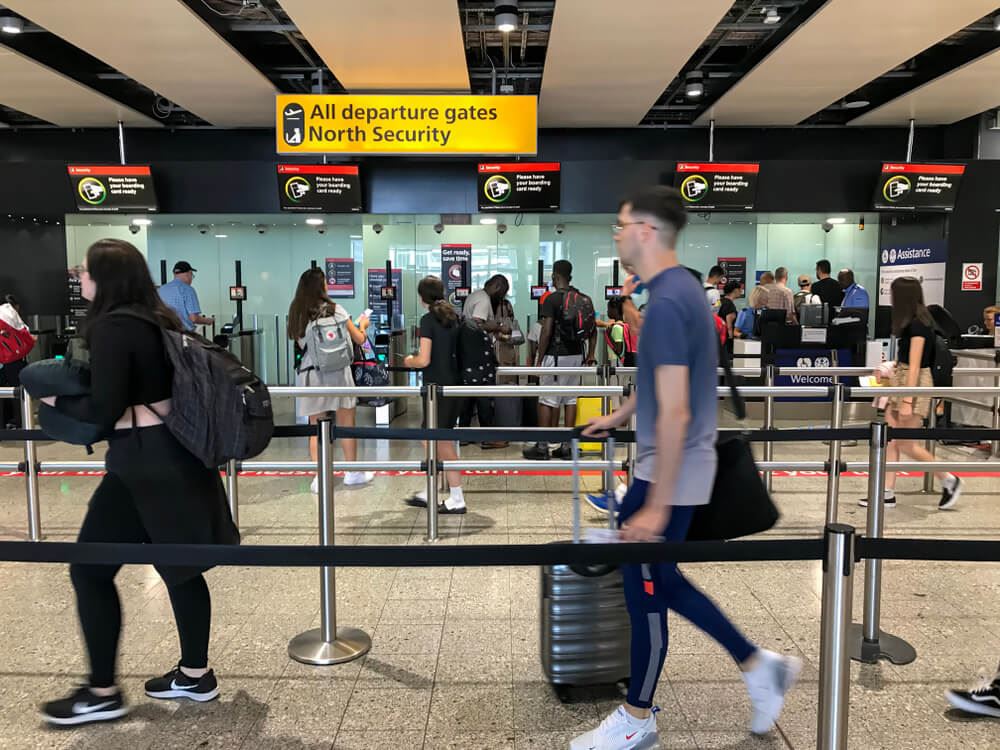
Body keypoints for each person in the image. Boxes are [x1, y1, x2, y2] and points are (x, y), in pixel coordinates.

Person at [572, 186, 800, 750]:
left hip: (668, 473)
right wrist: (621, 413)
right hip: (666, 465)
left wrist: (654, 502)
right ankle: (757, 664)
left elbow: (675, 408)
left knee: (646, 591)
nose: (616, 233)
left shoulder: (671, 300)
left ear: (646, 231)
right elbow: (663, 381)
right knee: (658, 581)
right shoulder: (676, 291)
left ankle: (638, 717)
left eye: (621, 224)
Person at [40, 239, 239, 726]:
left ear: (103, 277)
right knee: (181, 567)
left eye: (84, 271)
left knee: (89, 570)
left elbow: (105, 410)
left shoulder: (110, 327)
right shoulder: (159, 318)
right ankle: (195, 674)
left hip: (141, 463)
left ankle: (103, 692)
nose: (78, 278)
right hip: (182, 456)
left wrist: (55, 407)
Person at [859, 276, 961, 511]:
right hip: (904, 380)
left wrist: (907, 399)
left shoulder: (918, 325)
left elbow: (915, 365)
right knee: (891, 441)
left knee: (907, 444)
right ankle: (886, 492)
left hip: (912, 385)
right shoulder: (915, 322)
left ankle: (949, 479)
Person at [288, 268, 374, 492]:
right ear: (322, 285)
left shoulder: (297, 311)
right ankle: (352, 473)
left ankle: (321, 476)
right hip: (339, 372)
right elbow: (359, 339)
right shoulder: (337, 310)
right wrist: (363, 324)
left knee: (316, 425)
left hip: (313, 372)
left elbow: (298, 343)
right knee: (347, 422)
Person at [403, 276, 466, 514]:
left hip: (436, 390)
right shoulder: (453, 317)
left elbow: (424, 359)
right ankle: (433, 488)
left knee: (438, 441)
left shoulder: (429, 320)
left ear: (422, 298)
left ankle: (457, 497)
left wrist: (410, 361)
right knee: (435, 438)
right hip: (453, 387)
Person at [523, 259, 597, 461]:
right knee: (570, 398)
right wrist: (590, 354)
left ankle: (543, 445)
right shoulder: (584, 299)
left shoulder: (552, 300)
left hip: (556, 356)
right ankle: (568, 446)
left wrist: (539, 359)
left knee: (547, 400)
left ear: (556, 276)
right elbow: (592, 329)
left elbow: (546, 331)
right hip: (576, 356)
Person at [458, 275, 509, 449]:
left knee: (467, 396)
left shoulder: (475, 295)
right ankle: (488, 437)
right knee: (485, 396)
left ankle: (463, 435)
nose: (501, 298)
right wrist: (499, 326)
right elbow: (477, 324)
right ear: (496, 286)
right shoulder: (484, 300)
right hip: (480, 356)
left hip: (468, 356)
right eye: (502, 293)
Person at [0, 294, 35, 428]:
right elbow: (26, 336)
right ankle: (19, 421)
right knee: (19, 393)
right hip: (14, 361)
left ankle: (3, 424)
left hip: (4, 362)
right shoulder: (11, 317)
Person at [157, 261, 214, 332]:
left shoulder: (161, 289)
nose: (191, 279)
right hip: (183, 336)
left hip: (164, 334)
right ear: (189, 273)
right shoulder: (188, 290)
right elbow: (194, 318)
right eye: (192, 275)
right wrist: (208, 321)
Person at [718, 280, 741, 350]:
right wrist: (730, 337)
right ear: (735, 290)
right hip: (726, 338)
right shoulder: (730, 305)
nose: (741, 291)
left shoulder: (719, 301)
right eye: (740, 289)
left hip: (718, 335)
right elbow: (729, 325)